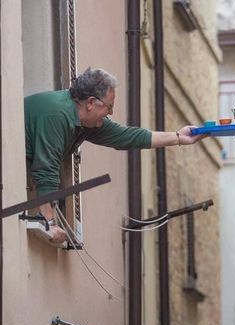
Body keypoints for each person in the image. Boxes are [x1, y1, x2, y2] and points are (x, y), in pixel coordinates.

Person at [24, 67, 205, 243]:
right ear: (90, 103)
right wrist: (48, 223)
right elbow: (47, 167)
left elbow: (126, 136)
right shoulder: (57, 115)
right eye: (109, 107)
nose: (110, 113)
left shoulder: (84, 123)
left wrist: (179, 137)